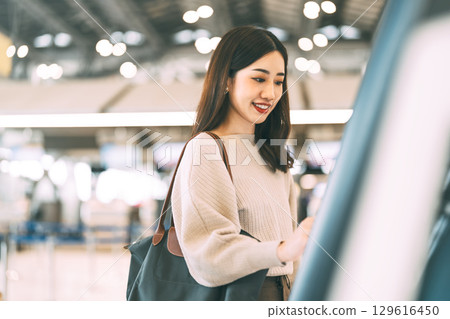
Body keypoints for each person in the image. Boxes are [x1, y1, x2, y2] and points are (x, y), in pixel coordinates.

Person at [171, 25, 314, 301]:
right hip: (241, 296)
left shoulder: (272, 153)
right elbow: (208, 253)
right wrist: (282, 250)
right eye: (259, 79)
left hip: (283, 294)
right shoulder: (206, 149)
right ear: (226, 80)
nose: (271, 94)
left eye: (278, 81)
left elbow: (290, 253)